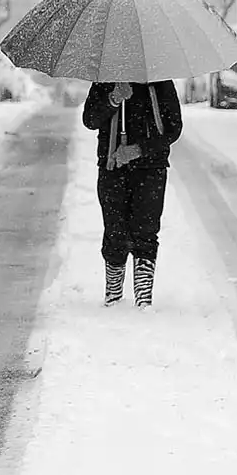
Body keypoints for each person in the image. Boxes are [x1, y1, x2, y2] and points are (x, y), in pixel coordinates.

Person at [83, 78, 183, 308]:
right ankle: (113, 296)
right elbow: (89, 119)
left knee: (145, 232)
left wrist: (139, 150)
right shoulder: (106, 80)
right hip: (112, 167)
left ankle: (143, 300)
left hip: (151, 170)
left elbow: (173, 128)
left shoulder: (159, 82)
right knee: (114, 231)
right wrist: (113, 99)